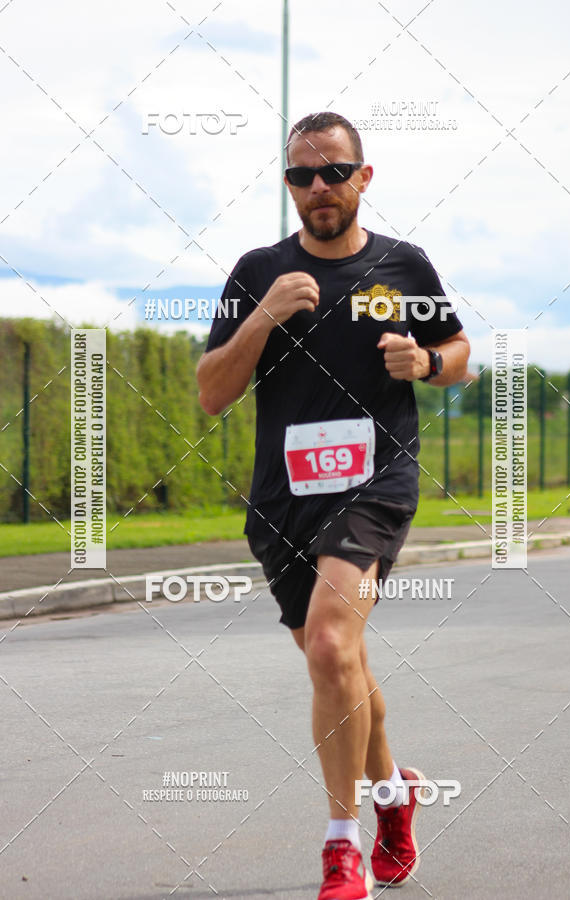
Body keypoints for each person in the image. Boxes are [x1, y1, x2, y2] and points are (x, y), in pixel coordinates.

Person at [197, 111, 470, 900]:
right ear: (288, 185)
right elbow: (214, 394)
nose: (318, 188)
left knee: (326, 645)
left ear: (363, 178)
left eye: (334, 172)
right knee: (338, 661)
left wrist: (423, 359)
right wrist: (264, 316)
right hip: (282, 501)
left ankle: (340, 845)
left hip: (374, 483)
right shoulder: (258, 272)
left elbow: (458, 356)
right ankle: (394, 795)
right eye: (301, 176)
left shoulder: (404, 266)